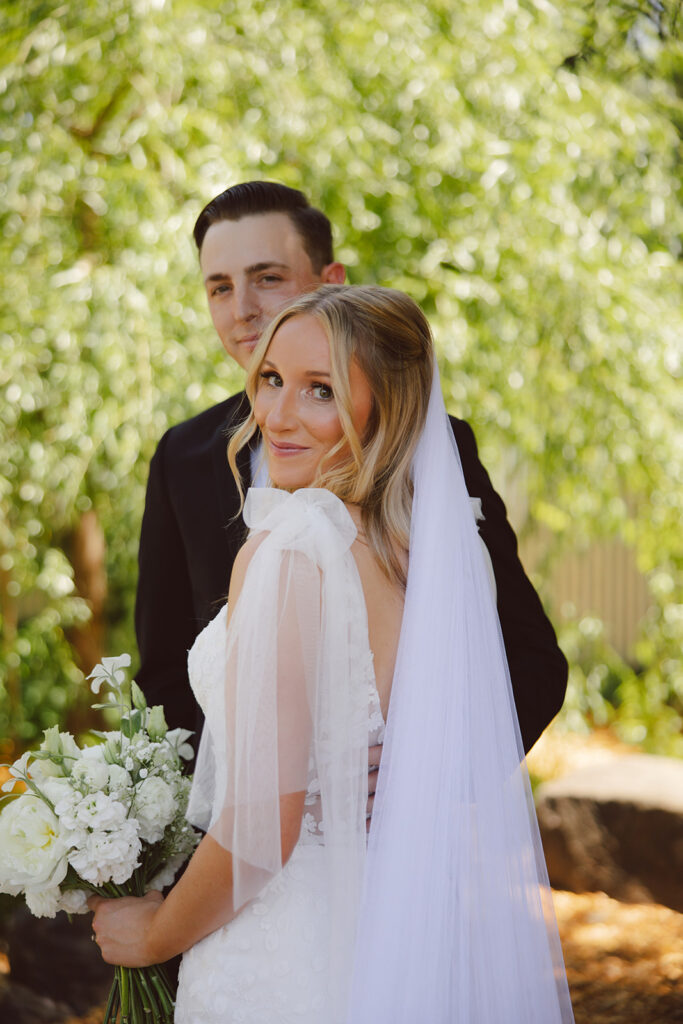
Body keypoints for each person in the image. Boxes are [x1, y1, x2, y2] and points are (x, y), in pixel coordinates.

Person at [91, 285, 574, 1022]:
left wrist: (154, 932)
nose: (277, 416)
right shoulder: (437, 555)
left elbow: (261, 832)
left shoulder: (290, 550)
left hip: (283, 958)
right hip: (401, 934)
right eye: (271, 380)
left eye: (319, 391)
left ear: (387, 408)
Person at [135, 181, 567, 760]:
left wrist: (421, 779)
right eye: (220, 287)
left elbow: (530, 657)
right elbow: (164, 670)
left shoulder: (434, 446)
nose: (243, 310)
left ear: (331, 283)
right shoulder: (181, 458)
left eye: (267, 278)